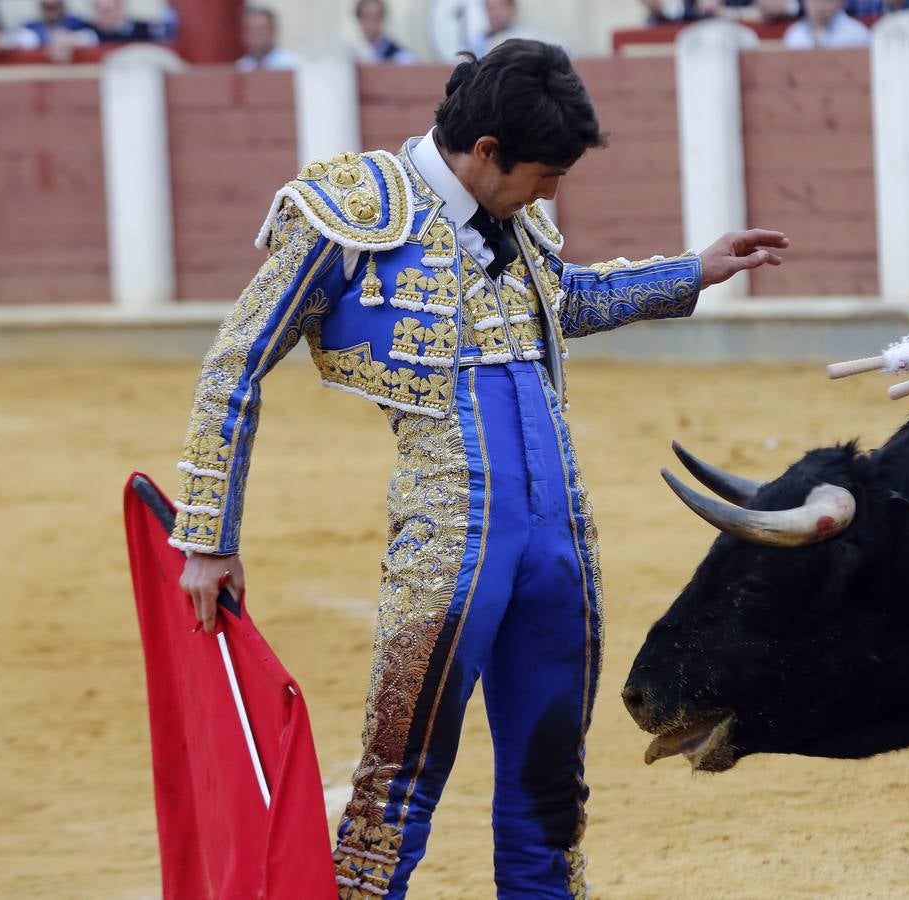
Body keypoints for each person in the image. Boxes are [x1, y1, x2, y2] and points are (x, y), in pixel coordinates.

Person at [171, 38, 787, 899]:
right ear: (486, 152)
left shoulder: (515, 216)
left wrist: (694, 270)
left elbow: (564, 299)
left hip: (558, 542)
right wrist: (208, 535)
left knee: (551, 792)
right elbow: (234, 362)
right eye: (541, 174)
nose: (551, 193)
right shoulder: (353, 211)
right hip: (449, 546)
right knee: (397, 786)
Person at [467, 0, 561, 57]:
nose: (495, 14)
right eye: (490, 8)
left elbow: (567, 57)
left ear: (512, 8)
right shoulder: (477, 44)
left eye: (500, 7)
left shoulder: (532, 35)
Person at [784, 0, 872, 48]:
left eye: (827, 1)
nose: (820, 7)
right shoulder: (794, 34)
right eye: (814, 1)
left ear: (842, 2)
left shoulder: (858, 34)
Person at [234, 5, 297, 71]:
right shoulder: (240, 68)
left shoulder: (293, 65)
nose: (256, 36)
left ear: (273, 31)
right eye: (250, 30)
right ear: (243, 35)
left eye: (261, 30)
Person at [356, 0, 417, 64]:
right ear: (358, 19)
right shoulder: (355, 51)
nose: (371, 23)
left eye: (376, 17)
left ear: (383, 18)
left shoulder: (400, 56)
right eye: (366, 16)